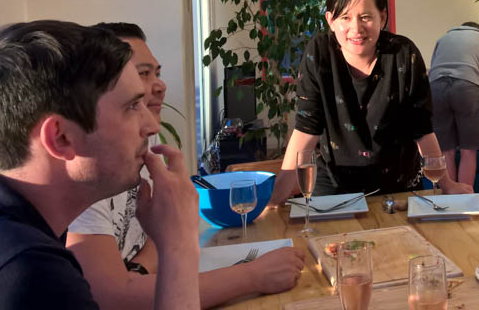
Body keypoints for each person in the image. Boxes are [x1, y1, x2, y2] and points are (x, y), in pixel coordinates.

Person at [0, 20, 200, 309]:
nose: (151, 126)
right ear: (61, 137)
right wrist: (179, 244)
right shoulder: (30, 277)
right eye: (132, 107)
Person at [66, 23, 305, 308]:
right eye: (142, 74)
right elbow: (112, 294)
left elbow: (162, 237)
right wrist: (253, 276)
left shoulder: (146, 143)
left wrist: (140, 270)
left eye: (157, 73)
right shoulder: (89, 168)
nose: (160, 85)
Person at [270, 0, 473, 203]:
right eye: (345, 17)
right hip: (334, 184)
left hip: (397, 185)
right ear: (331, 20)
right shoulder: (319, 54)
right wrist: (276, 197)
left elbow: (422, 129)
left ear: (382, 17)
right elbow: (306, 129)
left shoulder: (404, 54)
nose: (356, 29)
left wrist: (447, 184)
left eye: (365, 17)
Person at [428, 22, 479, 187]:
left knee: (446, 149)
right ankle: (465, 196)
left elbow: (432, 68)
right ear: (478, 30)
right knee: (468, 150)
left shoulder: (443, 38)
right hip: (467, 86)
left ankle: (449, 196)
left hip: (435, 88)